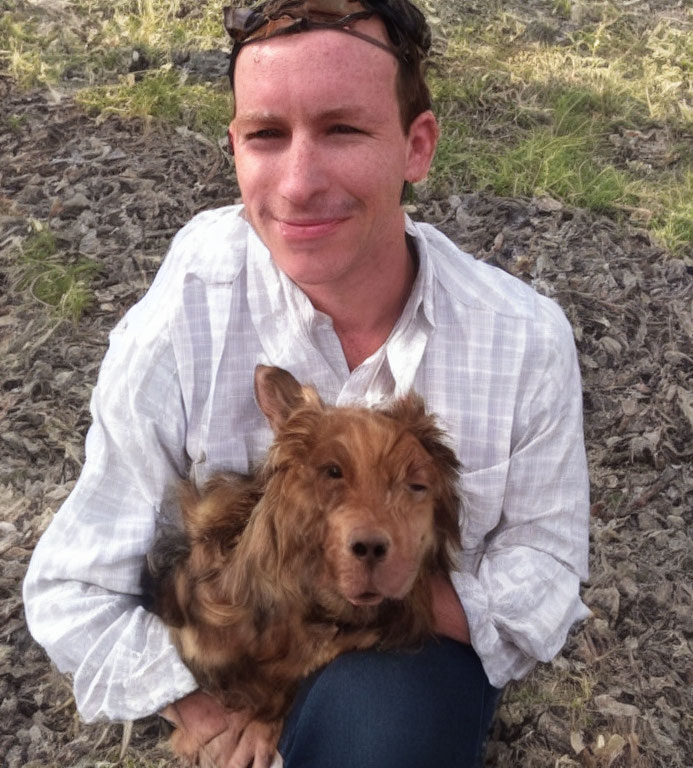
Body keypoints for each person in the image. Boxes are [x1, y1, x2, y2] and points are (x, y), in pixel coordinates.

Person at [23, 1, 591, 766]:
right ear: (233, 149)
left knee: (388, 728)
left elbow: (546, 566)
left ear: (416, 146)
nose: (296, 185)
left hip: (410, 660)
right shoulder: (187, 311)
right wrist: (202, 708)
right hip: (238, 646)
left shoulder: (521, 339)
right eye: (266, 135)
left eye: (343, 130)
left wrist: (372, 605)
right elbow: (72, 584)